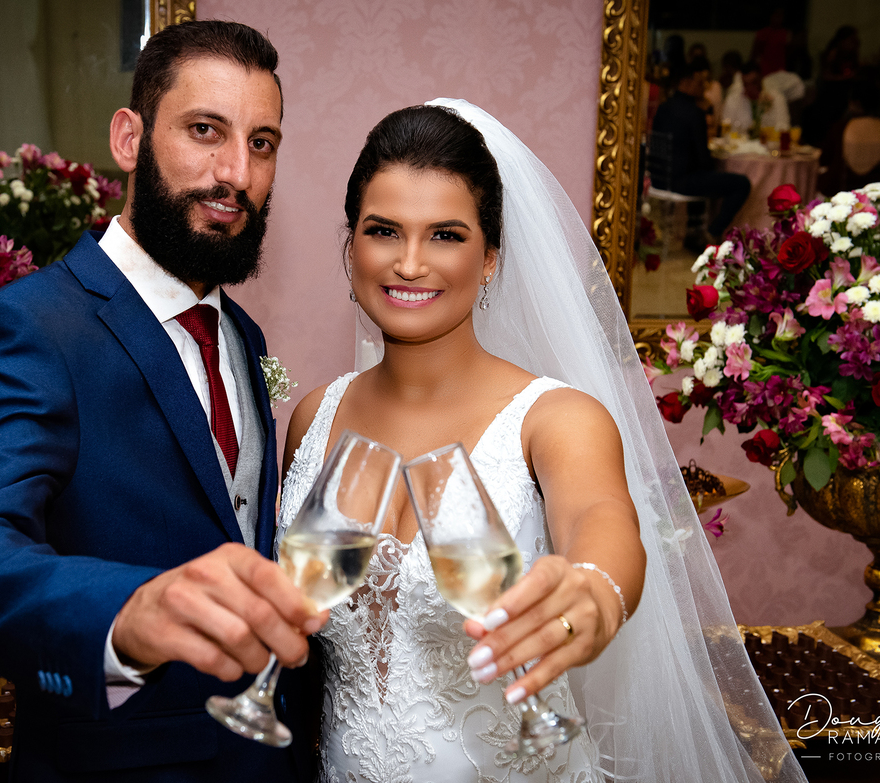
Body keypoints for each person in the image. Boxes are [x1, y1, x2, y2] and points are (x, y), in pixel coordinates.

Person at [279, 99, 805, 782]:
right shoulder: (314, 418)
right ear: (352, 245)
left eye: (445, 235)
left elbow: (601, 521)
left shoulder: (556, 418)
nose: (409, 263)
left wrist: (594, 590)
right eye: (384, 231)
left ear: (490, 259)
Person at [0, 21, 324, 782]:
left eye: (261, 143)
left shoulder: (241, 333)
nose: (236, 172)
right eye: (205, 131)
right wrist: (126, 610)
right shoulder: (30, 327)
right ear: (129, 138)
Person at [651, 59, 751, 244]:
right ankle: (711, 233)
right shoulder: (694, 112)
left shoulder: (664, 107)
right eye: (699, 83)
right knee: (741, 183)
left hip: (659, 178)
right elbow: (703, 159)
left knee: (700, 174)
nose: (703, 88)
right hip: (680, 182)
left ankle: (694, 232)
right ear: (686, 82)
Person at [723, 61, 791, 135]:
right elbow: (727, 130)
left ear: (761, 80)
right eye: (746, 84)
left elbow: (784, 127)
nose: (750, 88)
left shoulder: (777, 98)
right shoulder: (732, 100)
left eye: (754, 83)